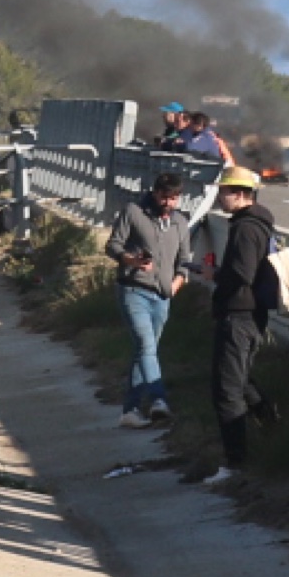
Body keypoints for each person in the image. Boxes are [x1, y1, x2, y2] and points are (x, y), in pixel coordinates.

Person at [194, 165, 279, 481]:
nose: (219, 197)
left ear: (240, 194)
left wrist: (214, 275)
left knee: (227, 389)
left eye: (224, 191)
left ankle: (235, 461)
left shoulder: (245, 229)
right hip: (250, 314)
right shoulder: (258, 222)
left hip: (239, 315)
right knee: (241, 381)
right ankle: (272, 427)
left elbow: (242, 274)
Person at [104, 169, 205, 427]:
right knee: (147, 347)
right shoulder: (133, 212)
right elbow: (113, 245)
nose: (168, 203)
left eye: (173, 198)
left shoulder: (180, 222)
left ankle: (130, 410)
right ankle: (159, 401)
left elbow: (185, 259)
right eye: (164, 197)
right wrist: (132, 260)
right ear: (155, 192)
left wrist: (176, 284)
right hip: (133, 289)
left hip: (163, 295)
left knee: (145, 351)